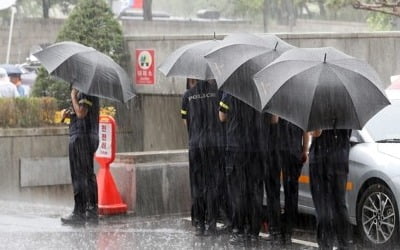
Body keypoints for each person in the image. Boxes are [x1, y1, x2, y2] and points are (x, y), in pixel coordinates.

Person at [219, 93, 264, 245]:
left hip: (235, 147)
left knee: (237, 191)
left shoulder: (231, 92)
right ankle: (253, 232)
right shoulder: (259, 93)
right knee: (255, 191)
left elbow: (222, 117)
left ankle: (238, 230)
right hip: (256, 147)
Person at [181, 78, 224, 236]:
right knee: (212, 185)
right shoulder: (218, 93)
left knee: (197, 185)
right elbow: (223, 117)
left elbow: (185, 122)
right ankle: (212, 223)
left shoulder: (188, 95)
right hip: (214, 145)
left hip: (195, 145)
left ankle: (199, 224)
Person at [266, 117, 309, 246]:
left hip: (275, 149)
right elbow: (305, 127)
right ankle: (287, 233)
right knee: (291, 193)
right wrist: (304, 149)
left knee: (273, 191)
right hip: (293, 150)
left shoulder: (274, 97)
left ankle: (275, 232)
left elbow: (273, 120)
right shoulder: (300, 101)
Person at [61, 87, 100, 225]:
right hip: (86, 136)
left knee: (79, 175)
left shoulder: (85, 90)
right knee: (87, 174)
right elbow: (79, 113)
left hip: (81, 137)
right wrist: (68, 114)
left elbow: (81, 113)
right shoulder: (89, 89)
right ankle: (92, 209)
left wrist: (73, 96)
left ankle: (80, 212)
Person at [309, 129, 352, 250]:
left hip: (320, 159)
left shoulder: (318, 110)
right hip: (340, 160)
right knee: (339, 204)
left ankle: (325, 244)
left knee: (322, 205)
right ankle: (344, 243)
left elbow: (316, 133)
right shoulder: (346, 110)